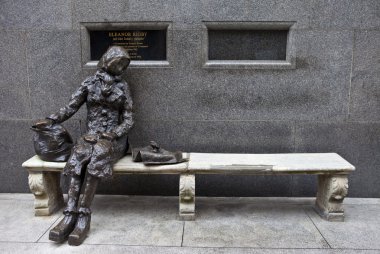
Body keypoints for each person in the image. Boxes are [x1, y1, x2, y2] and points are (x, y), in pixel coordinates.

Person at [36, 46, 133, 246]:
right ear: (108, 61)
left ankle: (83, 217)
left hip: (114, 140)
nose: (122, 68)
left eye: (125, 64)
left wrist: (114, 133)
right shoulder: (89, 83)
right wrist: (51, 120)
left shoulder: (123, 87)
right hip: (90, 135)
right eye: (119, 63)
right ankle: (69, 215)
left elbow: (130, 119)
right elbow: (70, 107)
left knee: (98, 154)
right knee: (79, 153)